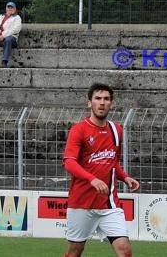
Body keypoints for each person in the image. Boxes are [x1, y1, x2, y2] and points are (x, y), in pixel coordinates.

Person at [62, 83, 140, 257]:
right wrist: (92, 179)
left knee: (125, 249)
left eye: (106, 99)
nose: (102, 103)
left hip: (109, 203)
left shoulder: (116, 129)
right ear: (89, 103)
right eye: (97, 98)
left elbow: (112, 162)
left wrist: (125, 177)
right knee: (75, 251)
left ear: (111, 103)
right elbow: (69, 162)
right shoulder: (79, 130)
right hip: (82, 203)